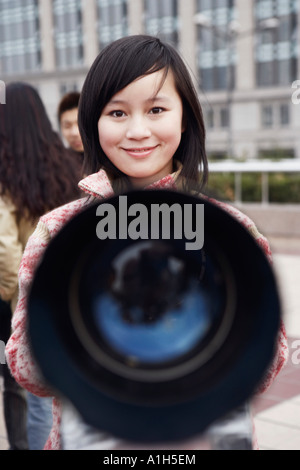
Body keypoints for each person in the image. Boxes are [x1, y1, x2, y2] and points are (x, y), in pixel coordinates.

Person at [5, 36, 288, 450]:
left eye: (156, 109)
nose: (137, 131)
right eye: (117, 112)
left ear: (185, 118)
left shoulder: (228, 232)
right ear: (92, 124)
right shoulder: (60, 231)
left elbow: (267, 367)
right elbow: (27, 371)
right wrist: (69, 310)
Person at [0, 82, 82, 449]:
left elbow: (4, 248)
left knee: (33, 399)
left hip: (32, 300)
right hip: (73, 290)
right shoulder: (66, 162)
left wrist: (14, 294)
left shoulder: (5, 171)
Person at [57, 91, 84, 166]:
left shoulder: (109, 160)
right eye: (67, 126)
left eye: (80, 124)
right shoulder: (59, 164)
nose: (74, 133)